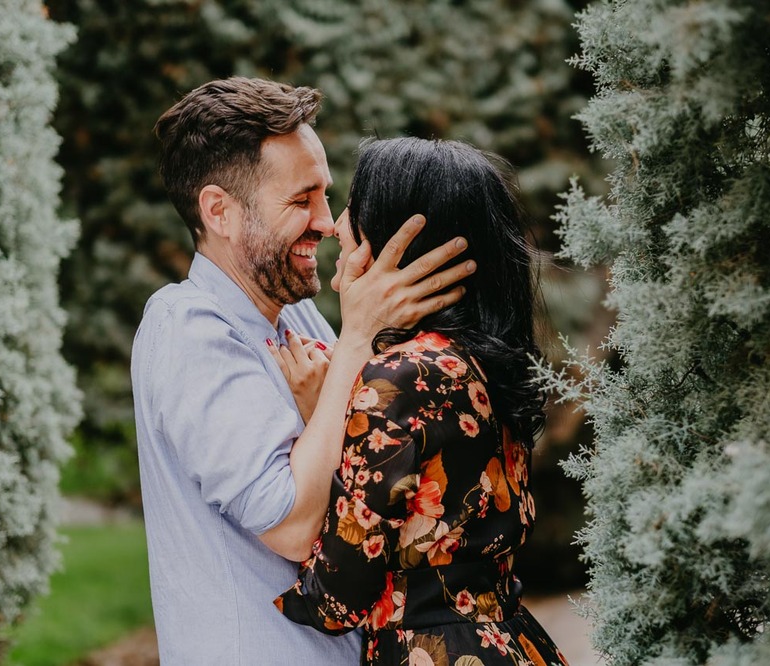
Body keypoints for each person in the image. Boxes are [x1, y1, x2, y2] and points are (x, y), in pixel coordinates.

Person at [131, 78, 475, 664]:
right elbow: (290, 524)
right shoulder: (189, 329)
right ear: (220, 211)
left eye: (325, 194)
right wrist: (357, 341)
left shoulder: (300, 314)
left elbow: (370, 478)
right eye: (301, 200)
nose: (327, 220)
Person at [274, 138, 569, 665]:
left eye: (354, 212)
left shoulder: (399, 377)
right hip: (513, 641)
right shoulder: (474, 360)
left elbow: (336, 599)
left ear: (395, 243)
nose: (335, 227)